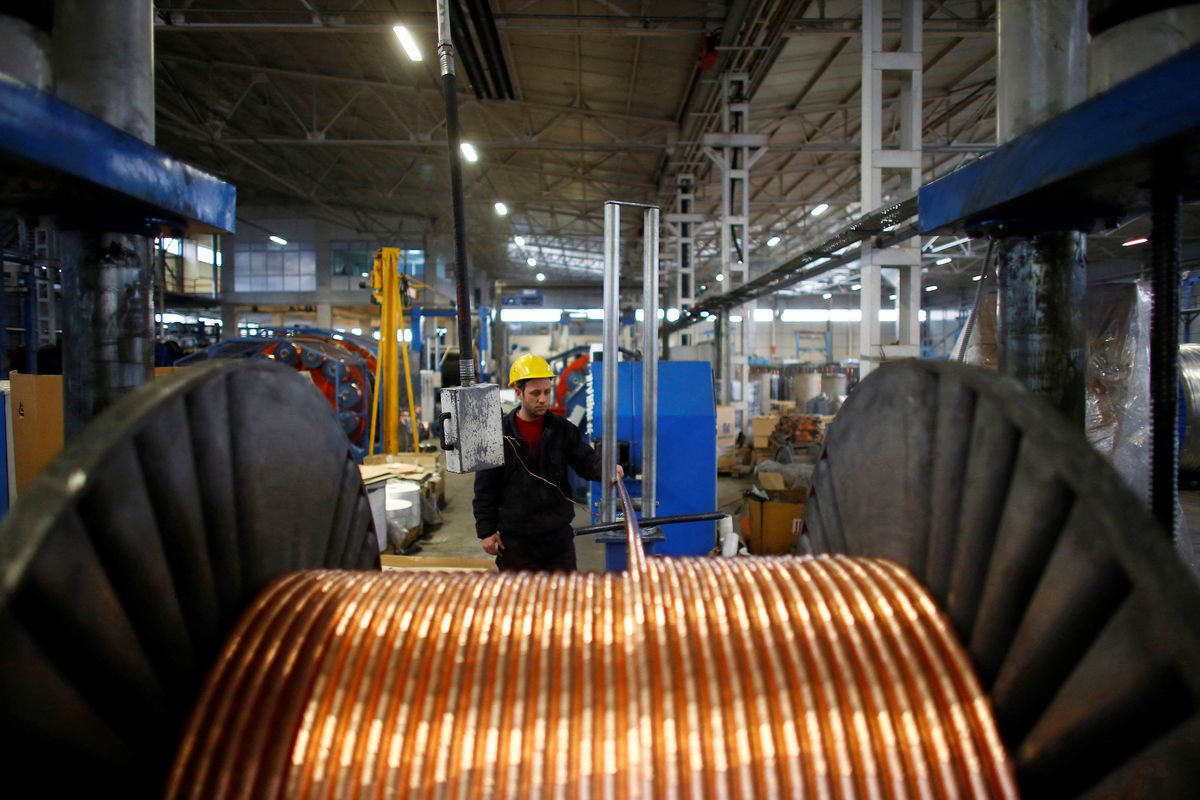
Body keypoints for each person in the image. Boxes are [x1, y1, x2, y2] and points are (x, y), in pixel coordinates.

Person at [474, 353, 621, 571]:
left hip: (557, 539)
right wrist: (486, 531)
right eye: (535, 393)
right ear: (518, 393)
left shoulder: (563, 429)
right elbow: (485, 487)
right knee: (521, 603)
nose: (543, 399)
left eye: (546, 392)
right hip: (516, 541)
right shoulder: (497, 433)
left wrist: (606, 470)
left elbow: (585, 461)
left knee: (562, 600)